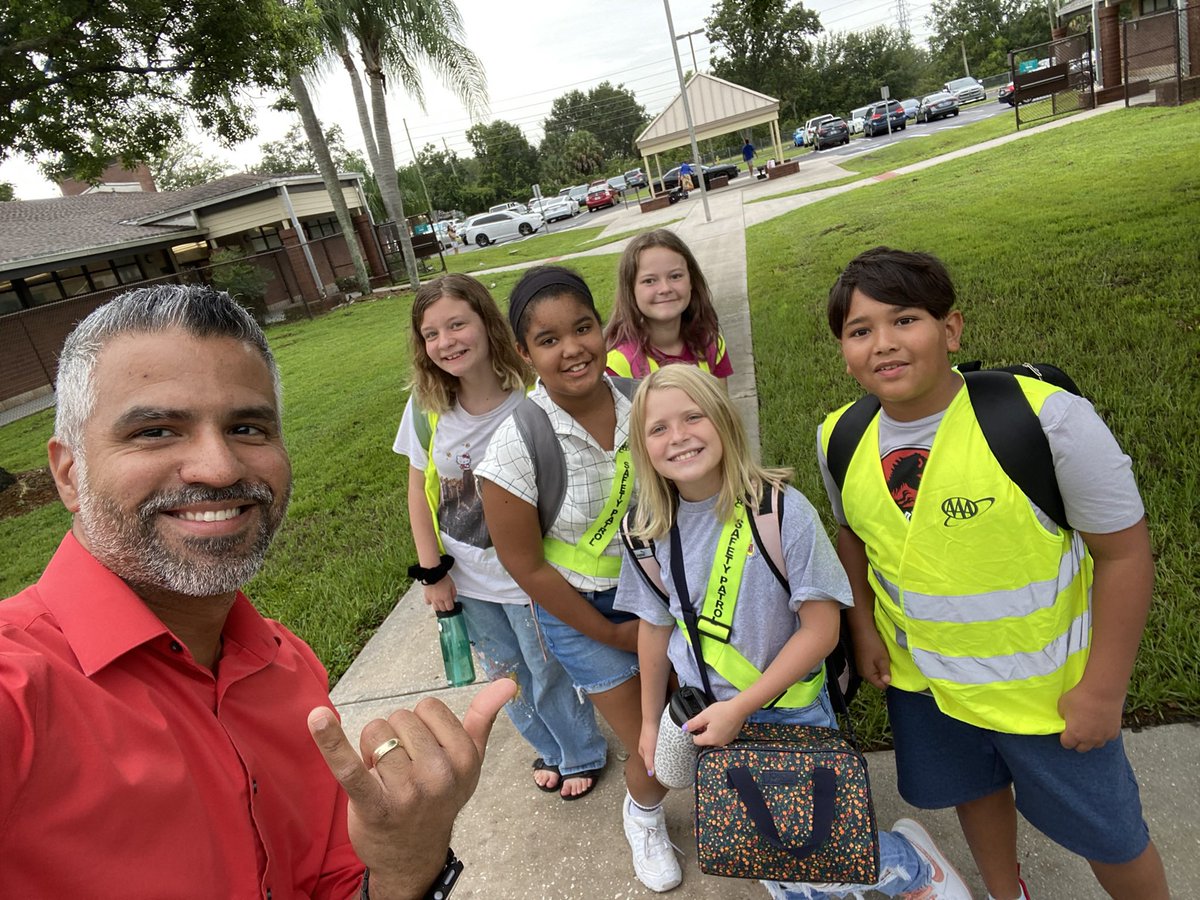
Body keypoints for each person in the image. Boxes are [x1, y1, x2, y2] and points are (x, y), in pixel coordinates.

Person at [0, 283, 514, 898]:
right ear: (69, 473)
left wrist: (406, 864)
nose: (219, 469)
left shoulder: (289, 669)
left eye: (247, 427)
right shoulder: (17, 698)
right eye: (156, 431)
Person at [818, 247, 1170, 900]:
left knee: (1112, 836)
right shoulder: (840, 437)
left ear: (950, 329)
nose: (884, 344)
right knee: (973, 793)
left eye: (905, 320)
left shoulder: (1045, 421)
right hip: (927, 686)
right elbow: (854, 535)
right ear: (843, 349)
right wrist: (863, 627)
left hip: (1044, 696)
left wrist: (1103, 691)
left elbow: (1125, 554)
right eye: (860, 330)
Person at [616, 365, 969, 900]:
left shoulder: (780, 511)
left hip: (791, 706)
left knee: (820, 844)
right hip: (710, 715)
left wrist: (743, 707)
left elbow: (822, 631)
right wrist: (647, 720)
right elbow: (653, 627)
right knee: (772, 837)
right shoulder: (646, 529)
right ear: (641, 448)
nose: (679, 436)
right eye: (657, 428)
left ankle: (913, 867)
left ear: (725, 421)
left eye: (694, 416)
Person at [476, 266, 679, 893]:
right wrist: (615, 635)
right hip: (587, 616)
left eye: (583, 328)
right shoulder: (514, 447)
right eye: (548, 340)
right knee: (649, 739)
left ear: (602, 327)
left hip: (671, 595)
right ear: (523, 353)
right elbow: (526, 566)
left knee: (689, 720)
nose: (572, 350)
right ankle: (644, 815)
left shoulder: (648, 402)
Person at [393, 273, 606, 799]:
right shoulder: (427, 410)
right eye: (431, 333)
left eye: (457, 324)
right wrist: (433, 573)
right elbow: (419, 491)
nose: (447, 342)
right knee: (506, 673)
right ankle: (550, 748)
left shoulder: (533, 400)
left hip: (534, 572)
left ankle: (581, 751)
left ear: (487, 326)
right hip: (469, 577)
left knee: (548, 667)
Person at [604, 229, 733, 384]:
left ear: (691, 281)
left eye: (675, 276)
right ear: (630, 290)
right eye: (649, 281)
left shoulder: (711, 344)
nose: (665, 289)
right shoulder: (617, 365)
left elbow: (721, 406)